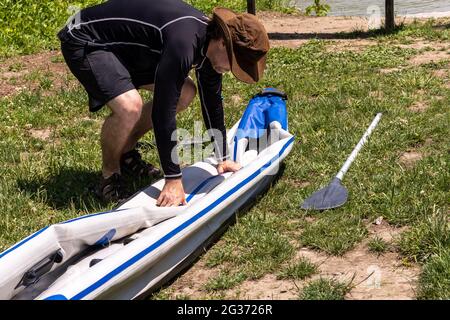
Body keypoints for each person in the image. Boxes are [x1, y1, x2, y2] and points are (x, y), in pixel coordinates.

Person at [57, 0, 270, 206]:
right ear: (223, 43)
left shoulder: (209, 46)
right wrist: (173, 178)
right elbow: (163, 111)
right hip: (85, 38)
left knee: (186, 93)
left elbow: (212, 102)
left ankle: (125, 153)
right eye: (234, 63)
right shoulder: (184, 41)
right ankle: (109, 177)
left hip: (127, 49)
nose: (232, 70)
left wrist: (223, 156)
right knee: (130, 107)